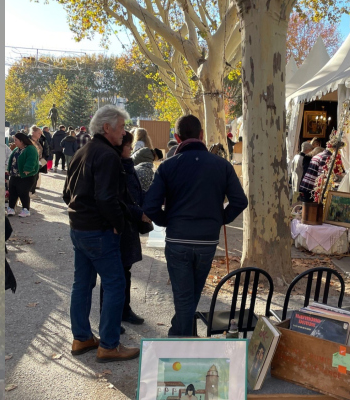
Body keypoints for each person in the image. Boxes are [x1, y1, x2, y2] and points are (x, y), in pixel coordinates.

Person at [143, 115, 248, 337]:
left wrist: (166, 220)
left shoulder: (168, 166)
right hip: (206, 241)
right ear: (201, 135)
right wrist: (219, 219)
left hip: (178, 239)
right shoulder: (222, 165)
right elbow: (240, 201)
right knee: (192, 293)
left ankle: (180, 339)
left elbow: (150, 206)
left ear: (177, 137)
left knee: (184, 296)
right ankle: (184, 334)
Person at [62, 105, 140, 363]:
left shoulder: (83, 151)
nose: (124, 132)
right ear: (107, 128)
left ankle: (82, 338)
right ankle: (108, 345)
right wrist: (117, 222)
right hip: (98, 230)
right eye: (121, 127)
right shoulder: (107, 155)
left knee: (81, 284)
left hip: (79, 229)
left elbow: (67, 194)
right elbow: (107, 198)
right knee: (115, 284)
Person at [99, 131, 149, 330]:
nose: (131, 149)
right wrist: (140, 213)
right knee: (112, 276)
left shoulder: (129, 166)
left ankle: (124, 310)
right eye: (129, 146)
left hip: (128, 228)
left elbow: (135, 194)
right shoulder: (115, 167)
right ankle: (109, 316)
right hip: (117, 227)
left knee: (125, 271)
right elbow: (118, 201)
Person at [6, 132, 39, 217]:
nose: (14, 142)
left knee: (23, 192)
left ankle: (26, 209)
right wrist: (9, 169)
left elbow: (32, 160)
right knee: (12, 192)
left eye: (16, 140)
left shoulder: (30, 148)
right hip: (14, 175)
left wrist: (28, 169)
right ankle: (11, 208)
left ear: (22, 141)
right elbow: (11, 160)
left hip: (26, 176)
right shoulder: (16, 149)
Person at [27, 125, 45, 197]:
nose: (40, 135)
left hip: (38, 162)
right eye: (39, 133)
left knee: (35, 178)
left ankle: (32, 192)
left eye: (41, 133)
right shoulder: (29, 141)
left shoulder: (38, 141)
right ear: (33, 133)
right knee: (31, 178)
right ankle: (29, 193)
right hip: (31, 162)